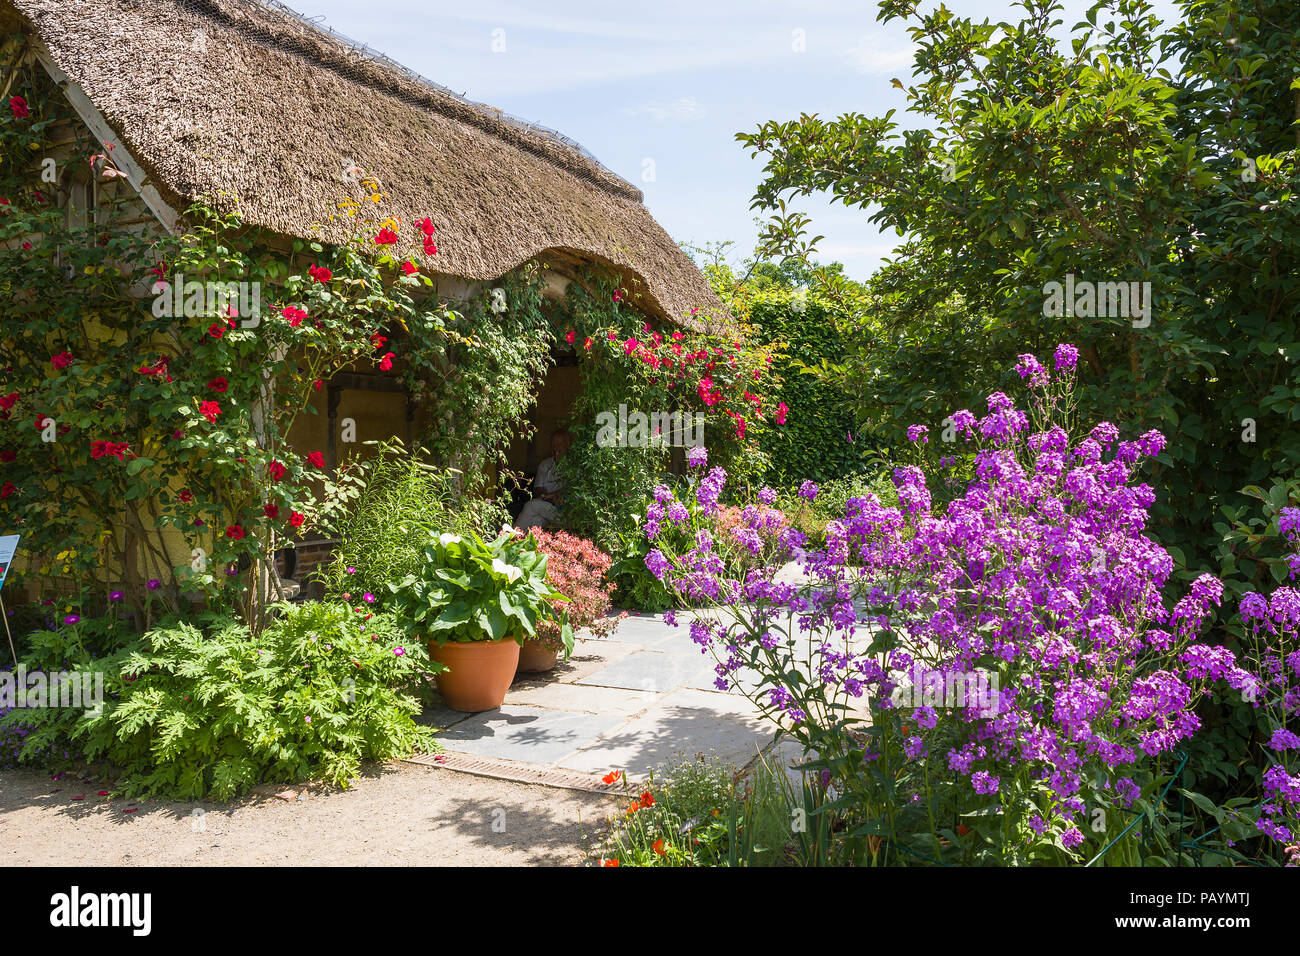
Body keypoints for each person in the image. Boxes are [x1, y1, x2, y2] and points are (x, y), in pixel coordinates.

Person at [515, 429, 570, 530]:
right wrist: (547, 496)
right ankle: (520, 544)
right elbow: (538, 490)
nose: (556, 447)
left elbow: (571, 490)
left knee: (531, 505)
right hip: (545, 507)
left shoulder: (573, 466)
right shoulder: (545, 464)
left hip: (564, 513)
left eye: (559, 444)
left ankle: (510, 536)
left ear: (567, 445)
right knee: (537, 521)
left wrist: (553, 495)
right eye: (553, 444)